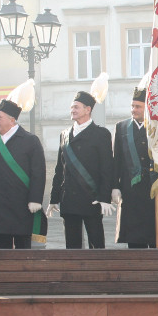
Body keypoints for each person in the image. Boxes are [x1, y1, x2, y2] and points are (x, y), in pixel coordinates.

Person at [0, 79, 47, 249]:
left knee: (23, 250)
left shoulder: (30, 140)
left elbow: (38, 173)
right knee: (2, 251)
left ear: (12, 120)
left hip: (22, 207)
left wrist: (36, 199)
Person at [48, 73, 115, 249]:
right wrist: (54, 198)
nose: (72, 110)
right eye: (71, 107)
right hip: (69, 200)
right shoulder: (64, 135)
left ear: (88, 109)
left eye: (76, 107)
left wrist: (104, 197)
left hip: (92, 200)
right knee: (72, 247)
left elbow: (107, 169)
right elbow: (59, 170)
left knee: (97, 245)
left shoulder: (101, 134)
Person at [112, 84, 158, 248]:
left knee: (156, 242)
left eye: (138, 106)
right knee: (134, 244)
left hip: (153, 190)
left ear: (148, 108)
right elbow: (116, 161)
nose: (133, 110)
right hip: (130, 192)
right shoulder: (121, 127)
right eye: (132, 106)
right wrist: (114, 187)